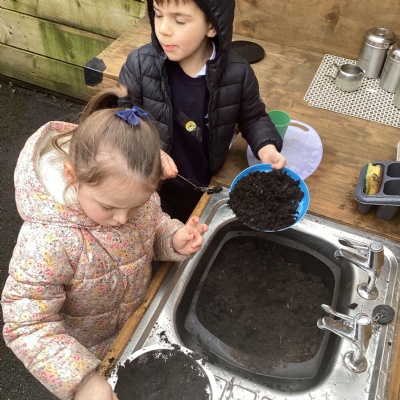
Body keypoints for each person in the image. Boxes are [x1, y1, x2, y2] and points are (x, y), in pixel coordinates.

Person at [1, 84, 208, 400]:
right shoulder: (47, 242)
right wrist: (81, 379)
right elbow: (27, 324)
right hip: (85, 353)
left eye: (135, 207)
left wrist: (173, 239)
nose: (123, 219)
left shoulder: (130, 197)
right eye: (109, 207)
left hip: (133, 327)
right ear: (72, 175)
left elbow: (153, 228)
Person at [119, 0, 287, 222]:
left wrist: (266, 147)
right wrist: (149, 151)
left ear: (212, 25)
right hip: (149, 191)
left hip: (204, 186)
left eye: (179, 20)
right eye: (158, 15)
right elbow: (120, 117)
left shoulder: (237, 73)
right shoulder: (140, 65)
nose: (163, 29)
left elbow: (253, 117)